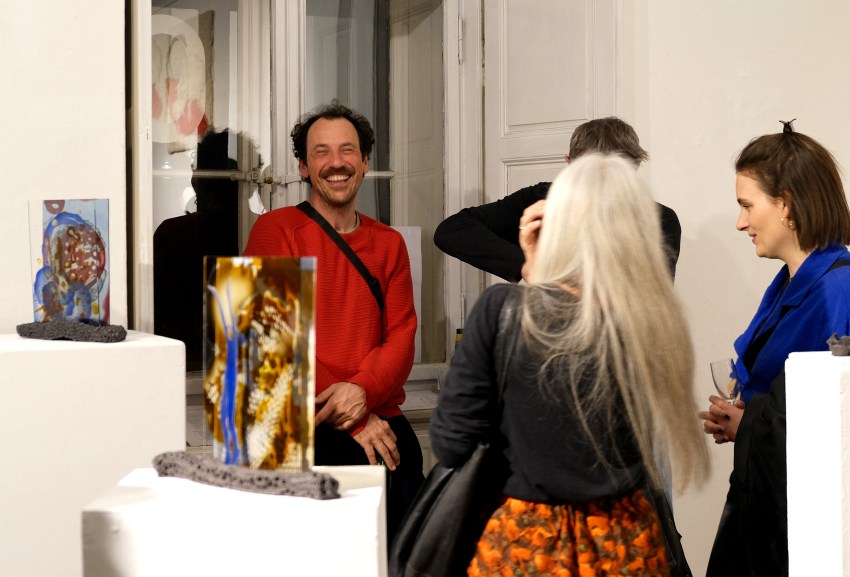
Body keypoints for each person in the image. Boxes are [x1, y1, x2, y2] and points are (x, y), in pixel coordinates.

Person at [430, 153, 709, 576]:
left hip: (527, 545)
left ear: (556, 223)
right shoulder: (655, 322)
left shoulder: (502, 311)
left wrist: (535, 271)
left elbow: (452, 444)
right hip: (625, 545)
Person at [242, 103, 423, 542]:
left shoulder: (389, 243)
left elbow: (402, 336)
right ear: (304, 167)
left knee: (404, 552)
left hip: (378, 410)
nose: (336, 162)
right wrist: (352, 415)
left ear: (365, 162)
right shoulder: (274, 229)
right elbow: (270, 344)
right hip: (297, 422)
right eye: (321, 152)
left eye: (347, 150)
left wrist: (362, 392)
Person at [699, 122, 850, 577]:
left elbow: (841, 423)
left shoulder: (839, 291)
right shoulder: (791, 280)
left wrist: (748, 425)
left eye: (747, 206)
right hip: (764, 500)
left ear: (786, 204)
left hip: (796, 522)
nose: (741, 222)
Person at [433, 117, 682, 281]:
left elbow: (650, 298)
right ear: (569, 164)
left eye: (618, 171)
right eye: (591, 171)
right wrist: (526, 265)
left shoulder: (658, 218)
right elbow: (452, 230)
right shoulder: (542, 200)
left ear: (636, 166)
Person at [154, 129, 242, 371]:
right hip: (229, 364)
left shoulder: (173, 233)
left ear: (198, 181)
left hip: (182, 362)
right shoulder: (255, 230)